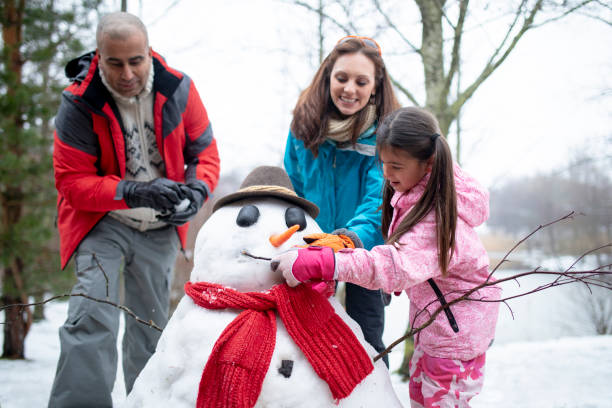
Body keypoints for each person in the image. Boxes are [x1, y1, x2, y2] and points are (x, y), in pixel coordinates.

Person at [274, 107, 501, 407]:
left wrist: (328, 264)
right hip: (439, 329)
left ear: (428, 163)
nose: (387, 173)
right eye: (383, 163)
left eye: (395, 165)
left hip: (453, 341)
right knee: (421, 398)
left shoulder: (436, 217)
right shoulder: (419, 192)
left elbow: (395, 265)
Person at [49, 11, 220, 407]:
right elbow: (72, 184)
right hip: (102, 222)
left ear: (148, 53)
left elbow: (205, 151)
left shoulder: (179, 88)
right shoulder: (79, 102)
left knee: (152, 327)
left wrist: (197, 190)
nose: (127, 72)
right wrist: (134, 191)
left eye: (135, 60)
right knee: (92, 314)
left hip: (160, 227)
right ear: (99, 57)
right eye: (115, 62)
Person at [283, 35, 400, 364]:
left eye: (361, 81)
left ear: (375, 85)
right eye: (342, 78)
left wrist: (349, 239)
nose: (350, 89)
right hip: (311, 248)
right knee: (307, 343)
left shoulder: (385, 134)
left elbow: (380, 200)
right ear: (328, 76)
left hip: (363, 249)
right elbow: (293, 187)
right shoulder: (303, 126)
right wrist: (300, 234)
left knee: (367, 342)